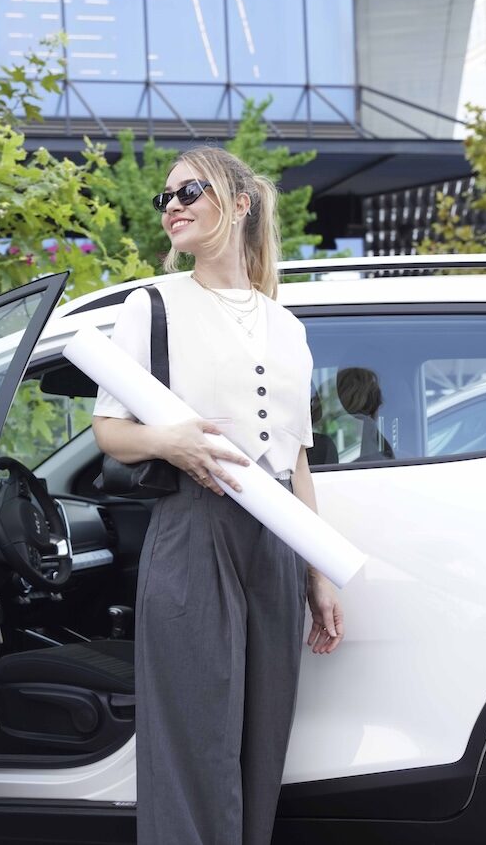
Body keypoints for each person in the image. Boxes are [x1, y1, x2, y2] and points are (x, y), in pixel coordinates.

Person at [91, 146, 344, 845]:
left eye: (189, 192)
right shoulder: (152, 304)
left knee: (262, 742)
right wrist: (170, 442)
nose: (171, 206)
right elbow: (109, 430)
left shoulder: (288, 328)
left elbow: (295, 461)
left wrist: (316, 574)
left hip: (275, 543)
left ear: (238, 202)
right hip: (192, 528)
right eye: (165, 198)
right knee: (194, 744)